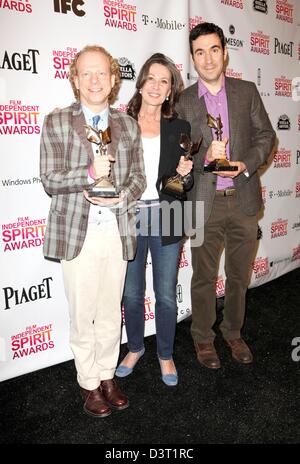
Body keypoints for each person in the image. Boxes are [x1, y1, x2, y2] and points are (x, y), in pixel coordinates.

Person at [40, 45, 146, 417]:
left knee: (109, 311)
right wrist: (87, 176)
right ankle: (88, 382)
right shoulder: (57, 122)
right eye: (87, 73)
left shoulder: (127, 125)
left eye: (102, 72)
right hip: (77, 233)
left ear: (114, 78)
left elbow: (138, 179)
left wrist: (121, 198)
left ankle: (106, 375)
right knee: (83, 313)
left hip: (116, 231)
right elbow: (50, 180)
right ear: (75, 79)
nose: (95, 80)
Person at [176, 23, 276, 369]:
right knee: (203, 276)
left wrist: (244, 164)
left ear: (225, 52)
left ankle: (233, 332)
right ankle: (203, 338)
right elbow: (177, 157)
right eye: (199, 52)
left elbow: (266, 136)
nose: (207, 58)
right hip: (204, 204)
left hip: (244, 200)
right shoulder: (185, 101)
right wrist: (202, 158)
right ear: (192, 58)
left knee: (238, 274)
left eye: (213, 49)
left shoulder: (246, 92)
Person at [115, 53, 193, 386]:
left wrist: (186, 175)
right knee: (131, 293)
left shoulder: (180, 127)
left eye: (165, 81)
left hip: (169, 214)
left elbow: (182, 183)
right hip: (129, 214)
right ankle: (134, 347)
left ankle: (165, 354)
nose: (157, 86)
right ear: (141, 81)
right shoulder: (120, 123)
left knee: (164, 293)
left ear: (171, 88)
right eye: (152, 78)